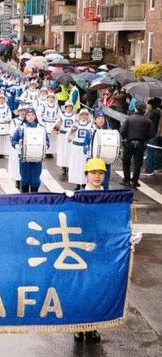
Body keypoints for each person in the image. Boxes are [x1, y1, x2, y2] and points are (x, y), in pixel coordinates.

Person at [73, 157, 106, 344]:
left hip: (100, 252)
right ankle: (78, 327)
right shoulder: (76, 197)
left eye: (101, 173)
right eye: (93, 172)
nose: (97, 176)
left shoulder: (110, 199)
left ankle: (92, 327)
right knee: (79, 289)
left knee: (96, 290)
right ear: (86, 174)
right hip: (80, 250)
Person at [11, 107, 49, 193]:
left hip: (37, 158)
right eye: (28, 115)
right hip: (24, 158)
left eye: (32, 115)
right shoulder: (21, 128)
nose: (30, 117)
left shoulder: (41, 128)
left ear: (35, 116)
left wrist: (45, 146)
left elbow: (47, 141)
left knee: (35, 179)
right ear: (26, 117)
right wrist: (16, 145)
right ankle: (24, 199)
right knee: (25, 178)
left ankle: (34, 198)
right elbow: (14, 139)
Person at [120, 101, 155, 188]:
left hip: (129, 143)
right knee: (138, 163)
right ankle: (135, 181)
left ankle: (126, 180)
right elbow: (151, 134)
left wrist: (126, 136)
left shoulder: (129, 119)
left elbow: (122, 131)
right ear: (144, 109)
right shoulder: (148, 121)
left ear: (135, 108)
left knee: (126, 162)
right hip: (141, 144)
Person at [67, 108, 92, 190]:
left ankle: (85, 182)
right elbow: (69, 138)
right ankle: (77, 183)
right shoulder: (75, 125)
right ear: (79, 116)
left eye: (86, 114)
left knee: (85, 166)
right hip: (76, 148)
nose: (84, 116)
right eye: (82, 114)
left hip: (85, 148)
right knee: (76, 166)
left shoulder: (90, 125)